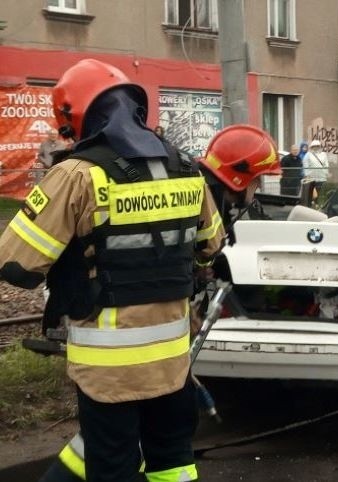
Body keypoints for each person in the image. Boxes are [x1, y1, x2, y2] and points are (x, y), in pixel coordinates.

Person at [0, 58, 226, 482]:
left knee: (113, 465)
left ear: (77, 117)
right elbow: (210, 246)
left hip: (109, 372)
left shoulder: (76, 176)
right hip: (172, 364)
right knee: (174, 462)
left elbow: (17, 266)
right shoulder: (185, 168)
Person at [37, 123, 280, 482]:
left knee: (110, 440)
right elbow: (204, 251)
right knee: (138, 445)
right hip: (139, 344)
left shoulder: (179, 178)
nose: (258, 190)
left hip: (123, 342)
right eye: (258, 180)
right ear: (240, 177)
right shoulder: (196, 188)